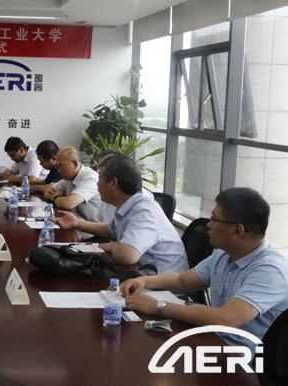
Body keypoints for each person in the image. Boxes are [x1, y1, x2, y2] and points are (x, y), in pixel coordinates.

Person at [122, 188, 288, 353]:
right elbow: (182, 280)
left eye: (214, 219)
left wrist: (158, 306)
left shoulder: (270, 270)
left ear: (238, 231)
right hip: (213, 340)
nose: (208, 225)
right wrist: (143, 281)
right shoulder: (224, 255)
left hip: (243, 359)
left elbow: (226, 319)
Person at [56, 154, 188, 274]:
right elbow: (110, 229)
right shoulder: (129, 205)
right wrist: (77, 223)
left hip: (164, 286)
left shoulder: (144, 211)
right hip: (141, 276)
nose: (97, 183)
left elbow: (128, 255)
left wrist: (109, 246)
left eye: (100, 178)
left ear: (113, 183)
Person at [43, 146, 103, 221]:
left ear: (75, 164)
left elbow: (68, 204)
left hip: (93, 226)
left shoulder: (90, 178)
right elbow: (48, 191)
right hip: (78, 221)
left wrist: (55, 197)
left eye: (61, 166)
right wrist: (56, 195)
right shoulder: (68, 178)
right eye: (57, 167)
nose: (59, 171)